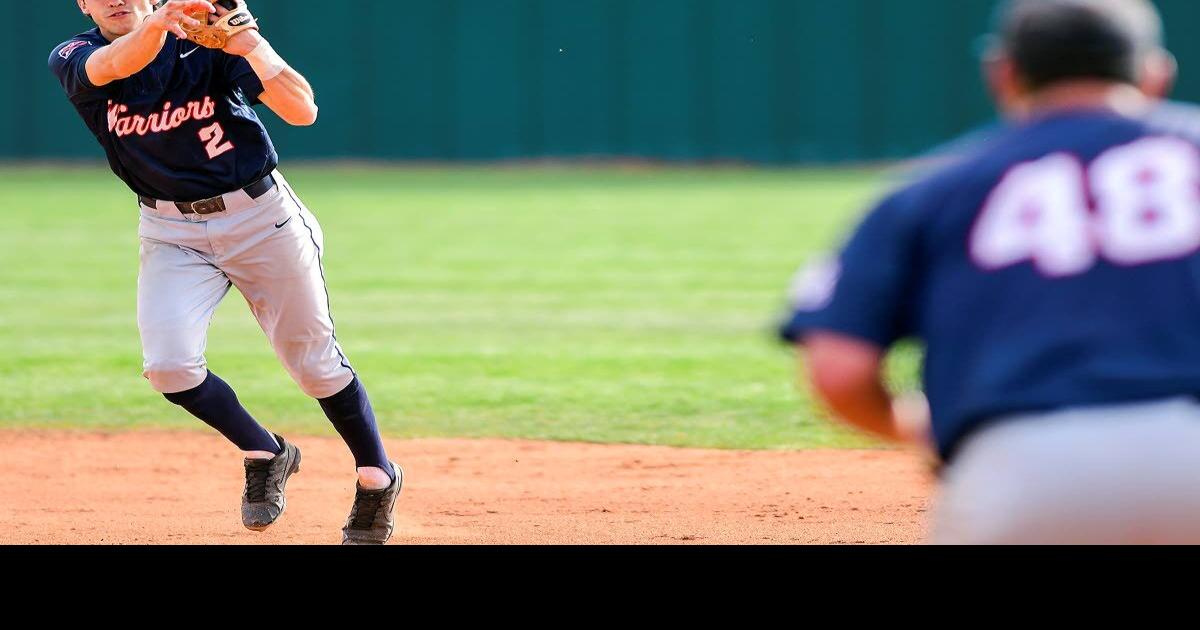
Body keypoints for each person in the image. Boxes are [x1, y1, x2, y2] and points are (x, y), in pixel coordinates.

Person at [780, 0, 1200, 544]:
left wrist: (919, 427)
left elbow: (838, 369)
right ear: (1155, 73)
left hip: (1023, 469)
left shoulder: (931, 189)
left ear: (1002, 73)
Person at [48, 0, 403, 545]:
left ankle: (377, 478)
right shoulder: (76, 54)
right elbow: (115, 66)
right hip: (169, 230)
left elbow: (302, 110)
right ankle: (268, 451)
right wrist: (164, 24)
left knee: (313, 367)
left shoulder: (205, 44)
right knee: (168, 368)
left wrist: (251, 47)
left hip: (261, 219)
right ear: (83, 4)